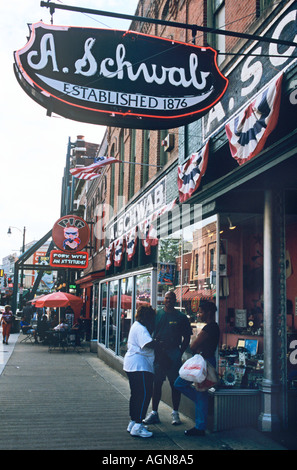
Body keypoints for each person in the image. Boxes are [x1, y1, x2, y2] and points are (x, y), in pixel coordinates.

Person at [143, 290, 192, 426]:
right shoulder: (157, 314)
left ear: (175, 300)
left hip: (173, 353)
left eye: (171, 298)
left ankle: (175, 413)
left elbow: (187, 337)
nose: (168, 301)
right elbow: (148, 331)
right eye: (166, 298)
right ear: (163, 300)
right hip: (159, 353)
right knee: (156, 384)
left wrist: (180, 352)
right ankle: (154, 413)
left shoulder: (181, 317)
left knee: (174, 384)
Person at [174, 301, 220, 436]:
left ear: (208, 313)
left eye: (200, 311)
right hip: (205, 361)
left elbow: (193, 346)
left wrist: (197, 344)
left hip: (203, 363)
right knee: (200, 393)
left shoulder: (209, 328)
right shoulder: (213, 327)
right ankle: (201, 414)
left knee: (184, 385)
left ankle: (200, 426)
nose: (198, 314)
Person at [123, 305, 157, 438]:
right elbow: (147, 344)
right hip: (140, 366)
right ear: (147, 317)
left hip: (132, 365)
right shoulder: (141, 328)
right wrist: (159, 343)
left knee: (136, 394)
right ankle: (138, 425)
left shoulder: (135, 326)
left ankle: (133, 421)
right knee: (144, 394)